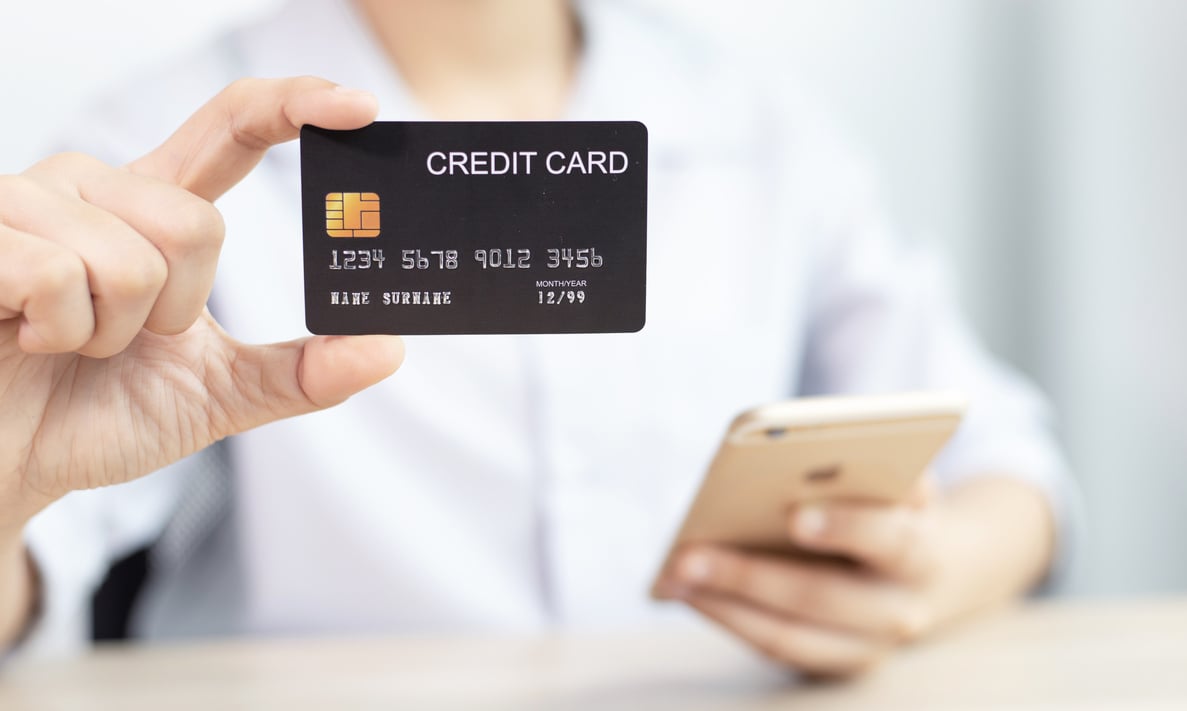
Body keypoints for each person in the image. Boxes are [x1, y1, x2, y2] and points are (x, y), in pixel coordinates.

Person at [0, 0, 1073, 677]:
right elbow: (33, 563)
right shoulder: (150, 161)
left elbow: (1006, 463)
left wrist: (925, 574)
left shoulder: (759, 123)